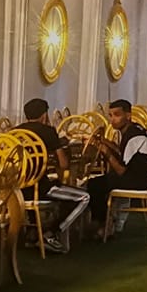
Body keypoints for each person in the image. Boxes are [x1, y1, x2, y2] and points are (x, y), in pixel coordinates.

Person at [85, 99, 147, 238]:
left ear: (128, 115)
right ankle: (106, 221)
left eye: (117, 115)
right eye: (110, 115)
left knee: (95, 185)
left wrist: (106, 151)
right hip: (141, 174)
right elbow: (124, 153)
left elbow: (121, 170)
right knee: (100, 182)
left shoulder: (133, 136)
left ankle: (103, 225)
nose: (112, 120)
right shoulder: (134, 129)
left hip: (140, 180)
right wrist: (105, 142)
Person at [21, 98, 86, 252]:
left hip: (18, 190)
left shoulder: (15, 132)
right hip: (40, 188)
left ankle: (32, 233)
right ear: (44, 115)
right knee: (83, 197)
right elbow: (63, 164)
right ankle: (51, 233)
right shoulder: (48, 132)